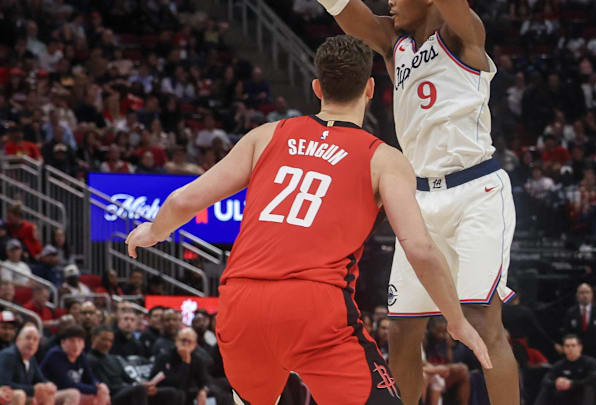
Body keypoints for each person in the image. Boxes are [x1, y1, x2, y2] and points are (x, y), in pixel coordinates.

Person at [125, 35, 490, 404]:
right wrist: (456, 320)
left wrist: (154, 230)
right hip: (313, 304)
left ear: (317, 87)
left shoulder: (266, 136)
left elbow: (182, 199)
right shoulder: (384, 159)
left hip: (239, 301)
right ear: (369, 89)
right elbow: (421, 249)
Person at [313, 1, 518, 403]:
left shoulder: (463, 33)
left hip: (476, 191)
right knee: (402, 331)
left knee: (481, 320)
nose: (388, 2)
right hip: (420, 196)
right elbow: (349, 14)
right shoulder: (395, 44)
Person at [87, 325, 181, 405]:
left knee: (171, 392)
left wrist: (144, 385)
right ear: (93, 338)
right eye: (104, 339)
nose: (107, 344)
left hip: (129, 390)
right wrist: (135, 386)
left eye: (110, 341)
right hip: (112, 396)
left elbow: (127, 378)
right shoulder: (89, 360)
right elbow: (106, 386)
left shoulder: (114, 358)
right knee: (139, 390)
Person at [0, 324, 80, 405]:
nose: (31, 342)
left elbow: (40, 378)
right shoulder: (9, 356)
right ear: (18, 340)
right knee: (19, 395)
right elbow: (4, 385)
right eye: (28, 338)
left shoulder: (31, 358)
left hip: (25, 395)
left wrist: (48, 384)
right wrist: (32, 390)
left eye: (35, 340)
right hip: (7, 397)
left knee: (47, 393)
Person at [40, 325, 110, 405]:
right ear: (63, 342)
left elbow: (90, 378)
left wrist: (98, 385)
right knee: (73, 394)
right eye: (72, 341)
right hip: (50, 394)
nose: (76, 345)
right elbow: (66, 384)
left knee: (103, 390)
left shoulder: (81, 356)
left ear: (84, 344)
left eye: (79, 341)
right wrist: (95, 389)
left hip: (71, 392)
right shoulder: (55, 355)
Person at [149, 328, 208, 405]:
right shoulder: (165, 356)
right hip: (165, 393)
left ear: (194, 345)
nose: (185, 344)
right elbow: (176, 383)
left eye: (189, 342)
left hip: (187, 394)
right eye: (183, 340)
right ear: (176, 340)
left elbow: (205, 381)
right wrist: (186, 362)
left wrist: (204, 390)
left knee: (210, 394)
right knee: (178, 393)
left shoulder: (198, 359)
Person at [534, 335, 596, 405]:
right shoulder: (559, 364)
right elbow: (545, 380)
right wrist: (556, 383)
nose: (570, 348)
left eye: (573, 345)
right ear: (563, 348)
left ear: (580, 347)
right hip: (563, 393)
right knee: (546, 389)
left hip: (580, 393)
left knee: (588, 388)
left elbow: (592, 380)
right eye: (567, 346)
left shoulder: (589, 362)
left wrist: (572, 383)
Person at [562, 283, 596, 358]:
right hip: (577, 352)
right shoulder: (571, 312)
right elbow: (567, 332)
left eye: (587, 292)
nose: (585, 295)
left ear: (592, 295)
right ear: (577, 295)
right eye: (582, 293)